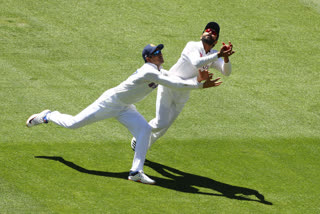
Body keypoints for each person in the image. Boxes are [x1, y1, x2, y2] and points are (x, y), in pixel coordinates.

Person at [26, 43, 222, 184]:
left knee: (144, 131)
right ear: (148, 58)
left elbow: (174, 79)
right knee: (74, 124)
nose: (160, 54)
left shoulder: (159, 70)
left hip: (126, 107)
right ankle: (47, 115)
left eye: (160, 51)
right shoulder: (149, 71)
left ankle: (136, 171)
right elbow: (174, 83)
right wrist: (199, 85)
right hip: (110, 103)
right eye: (156, 53)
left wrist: (199, 81)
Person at [131, 22, 235, 151]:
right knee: (160, 123)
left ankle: (142, 148)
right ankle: (139, 135)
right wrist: (219, 55)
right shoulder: (192, 46)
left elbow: (227, 72)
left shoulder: (212, 55)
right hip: (169, 85)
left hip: (184, 91)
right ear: (202, 34)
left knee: (163, 129)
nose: (210, 32)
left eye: (213, 32)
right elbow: (197, 62)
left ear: (216, 40)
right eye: (207, 30)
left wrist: (225, 58)